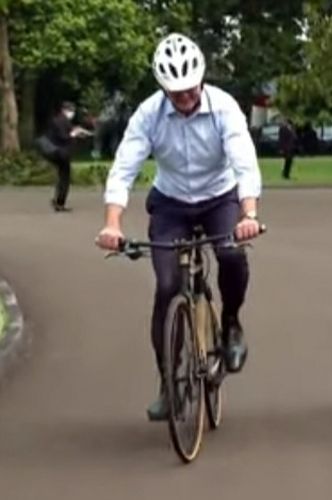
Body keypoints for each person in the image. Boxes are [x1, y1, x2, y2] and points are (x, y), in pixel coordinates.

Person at [95, 33, 263, 421]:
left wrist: (249, 214)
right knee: (167, 287)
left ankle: (232, 323)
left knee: (230, 254)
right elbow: (124, 168)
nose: (184, 98)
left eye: (189, 90)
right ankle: (169, 384)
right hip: (170, 203)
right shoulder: (148, 115)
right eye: (175, 92)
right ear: (162, 89)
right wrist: (112, 223)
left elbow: (244, 163)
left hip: (219, 197)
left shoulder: (224, 108)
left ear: (201, 80)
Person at [41, 101, 92, 211]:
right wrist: (74, 134)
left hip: (60, 153)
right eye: (71, 111)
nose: (72, 113)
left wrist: (76, 132)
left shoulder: (61, 120)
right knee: (65, 178)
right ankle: (60, 202)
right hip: (61, 153)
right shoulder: (60, 121)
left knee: (62, 177)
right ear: (65, 110)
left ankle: (58, 200)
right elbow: (63, 137)